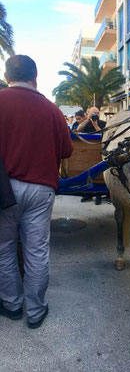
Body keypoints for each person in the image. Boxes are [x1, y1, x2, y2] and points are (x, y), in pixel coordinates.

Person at [0, 55, 73, 328]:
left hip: (4, 190)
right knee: (37, 251)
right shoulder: (52, 110)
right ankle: (35, 311)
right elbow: (66, 151)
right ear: (35, 77)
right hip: (41, 190)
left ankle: (12, 304)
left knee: (4, 248)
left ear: (7, 77)